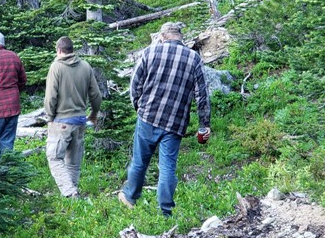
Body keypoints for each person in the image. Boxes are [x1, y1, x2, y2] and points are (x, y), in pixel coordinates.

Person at [118, 22, 211, 216]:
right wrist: (204, 125)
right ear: (180, 37)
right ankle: (165, 211)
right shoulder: (193, 58)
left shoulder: (149, 52)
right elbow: (202, 95)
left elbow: (134, 84)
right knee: (168, 167)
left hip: (148, 116)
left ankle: (130, 197)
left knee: (139, 161)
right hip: (175, 122)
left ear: (162, 36)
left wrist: (139, 108)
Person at [44, 36, 102, 198]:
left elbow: (51, 97)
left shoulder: (56, 67)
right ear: (72, 49)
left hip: (61, 121)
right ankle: (73, 194)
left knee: (54, 158)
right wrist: (94, 114)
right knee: (73, 162)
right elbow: (96, 95)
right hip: (80, 120)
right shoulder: (85, 66)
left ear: (59, 50)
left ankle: (70, 193)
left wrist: (49, 117)